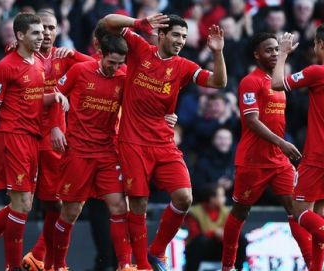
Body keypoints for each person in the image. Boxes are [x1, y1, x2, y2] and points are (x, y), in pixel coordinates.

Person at [102, 13, 227, 271]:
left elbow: (219, 81)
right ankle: (143, 265)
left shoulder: (183, 66)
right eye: (176, 35)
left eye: (184, 36)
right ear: (162, 35)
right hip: (133, 141)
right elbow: (108, 22)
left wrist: (217, 52)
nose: (181, 40)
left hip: (164, 143)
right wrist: (138, 23)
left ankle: (157, 250)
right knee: (138, 203)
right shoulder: (139, 48)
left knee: (184, 198)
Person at [0, 13, 68, 271]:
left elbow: (35, 99)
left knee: (23, 205)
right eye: (36, 33)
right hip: (12, 137)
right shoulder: (5, 66)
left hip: (33, 139)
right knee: (21, 205)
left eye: (43, 33)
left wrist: (57, 97)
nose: (42, 37)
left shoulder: (40, 63)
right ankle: (11, 267)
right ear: (20, 36)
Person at [271, 22, 324, 271]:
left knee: (300, 210)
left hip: (321, 155)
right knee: (320, 211)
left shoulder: (318, 72)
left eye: (314, 44)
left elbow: (277, 84)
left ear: (320, 44)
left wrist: (284, 54)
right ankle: (317, 269)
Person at [220, 33, 307, 271]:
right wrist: (282, 143)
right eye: (268, 50)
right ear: (256, 54)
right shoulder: (251, 81)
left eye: (277, 49)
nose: (274, 54)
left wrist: (280, 146)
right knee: (240, 211)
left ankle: (313, 265)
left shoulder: (278, 83)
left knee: (296, 209)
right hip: (252, 161)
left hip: (279, 161)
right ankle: (227, 266)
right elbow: (252, 121)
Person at [51, 34, 132, 271]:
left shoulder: (124, 77)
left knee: (119, 206)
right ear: (101, 54)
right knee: (71, 211)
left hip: (108, 151)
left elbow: (143, 101)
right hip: (78, 150)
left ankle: (125, 265)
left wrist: (167, 115)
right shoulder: (80, 71)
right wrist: (56, 126)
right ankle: (58, 265)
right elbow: (56, 96)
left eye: (120, 63)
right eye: (112, 62)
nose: (115, 68)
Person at [21, 10, 94, 271]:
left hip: (58, 142)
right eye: (42, 29)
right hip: (28, 137)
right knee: (24, 205)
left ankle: (46, 261)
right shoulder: (22, 58)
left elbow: (103, 68)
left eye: (52, 28)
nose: (47, 33)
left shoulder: (64, 58)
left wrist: (74, 54)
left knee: (64, 202)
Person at [186, 184, 245, 271]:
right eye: (221, 196)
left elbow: (233, 231)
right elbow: (195, 235)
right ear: (212, 199)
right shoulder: (194, 212)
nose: (224, 198)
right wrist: (214, 233)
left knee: (241, 239)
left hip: (220, 248)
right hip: (201, 250)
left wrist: (222, 234)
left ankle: (238, 268)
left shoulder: (226, 211)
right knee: (201, 240)